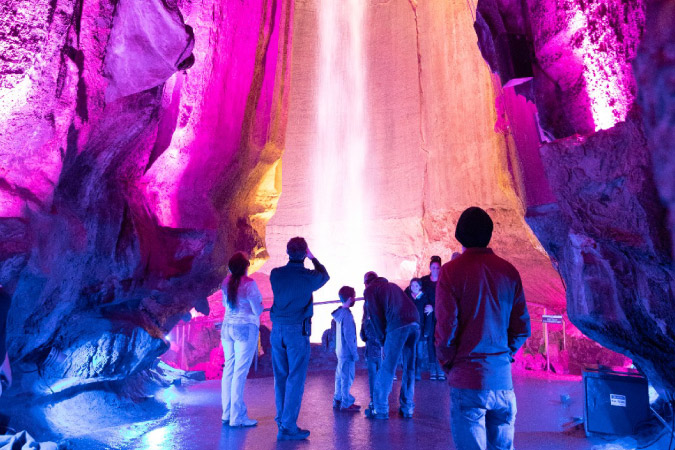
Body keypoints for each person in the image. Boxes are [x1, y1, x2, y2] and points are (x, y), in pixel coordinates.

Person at [435, 207, 531, 450]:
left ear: (460, 236)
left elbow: (447, 327)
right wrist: (504, 356)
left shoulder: (450, 272)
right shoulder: (509, 271)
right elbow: (521, 328)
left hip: (467, 379)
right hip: (502, 380)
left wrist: (447, 363)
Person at [270, 237, 329, 440]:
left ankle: (282, 420)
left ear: (287, 252)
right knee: (295, 378)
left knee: (281, 377)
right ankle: (288, 425)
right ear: (305, 253)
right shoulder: (308, 277)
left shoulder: (275, 274)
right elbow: (325, 275)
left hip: (277, 330)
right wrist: (313, 258)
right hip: (297, 332)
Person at [363, 271, 420, 419]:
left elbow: (375, 317)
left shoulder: (370, 290)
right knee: (409, 367)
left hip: (398, 325)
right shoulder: (392, 286)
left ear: (366, 282)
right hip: (415, 322)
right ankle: (407, 408)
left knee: (388, 366)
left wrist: (382, 341)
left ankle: (380, 408)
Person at [220, 252, 264, 427]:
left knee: (229, 369)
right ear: (246, 266)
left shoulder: (226, 282)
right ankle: (237, 417)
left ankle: (227, 413)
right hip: (245, 328)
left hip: (227, 328)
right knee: (240, 372)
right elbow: (257, 310)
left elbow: (226, 304)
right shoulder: (249, 284)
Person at [331, 286, 360, 412]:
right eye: (354, 296)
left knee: (340, 376)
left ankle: (337, 399)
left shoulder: (340, 313)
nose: (354, 298)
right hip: (347, 353)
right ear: (350, 298)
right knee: (347, 378)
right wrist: (355, 353)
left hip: (340, 351)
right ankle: (346, 402)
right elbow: (349, 336)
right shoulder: (347, 316)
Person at [421, 256, 445, 380]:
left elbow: (446, 300)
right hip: (429, 318)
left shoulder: (444, 281)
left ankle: (441, 369)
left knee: (440, 341)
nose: (435, 270)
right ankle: (432, 370)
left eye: (437, 268)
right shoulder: (424, 281)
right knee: (430, 342)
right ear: (430, 268)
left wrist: (434, 308)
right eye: (433, 268)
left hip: (440, 316)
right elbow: (415, 291)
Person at [360, 305, 382, 412]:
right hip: (381, 353)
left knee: (372, 377)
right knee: (381, 377)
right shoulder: (381, 320)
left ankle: (373, 400)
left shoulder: (365, 322)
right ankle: (381, 400)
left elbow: (363, 336)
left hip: (370, 353)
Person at [405, 278, 428, 380]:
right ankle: (411, 372)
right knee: (410, 352)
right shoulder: (407, 297)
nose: (414, 288)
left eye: (416, 286)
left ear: (420, 287)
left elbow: (428, 315)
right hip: (410, 330)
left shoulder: (424, 298)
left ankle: (418, 372)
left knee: (419, 353)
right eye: (412, 285)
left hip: (421, 330)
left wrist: (427, 330)